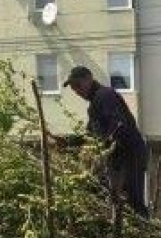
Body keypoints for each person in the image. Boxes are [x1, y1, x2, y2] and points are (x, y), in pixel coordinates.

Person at [63, 65, 149, 221]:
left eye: (77, 85)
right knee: (114, 197)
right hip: (117, 156)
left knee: (133, 199)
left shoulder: (105, 96)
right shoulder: (94, 105)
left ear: (89, 79)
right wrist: (69, 144)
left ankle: (145, 230)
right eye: (73, 88)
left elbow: (118, 126)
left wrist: (103, 147)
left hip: (130, 153)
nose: (76, 91)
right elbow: (89, 135)